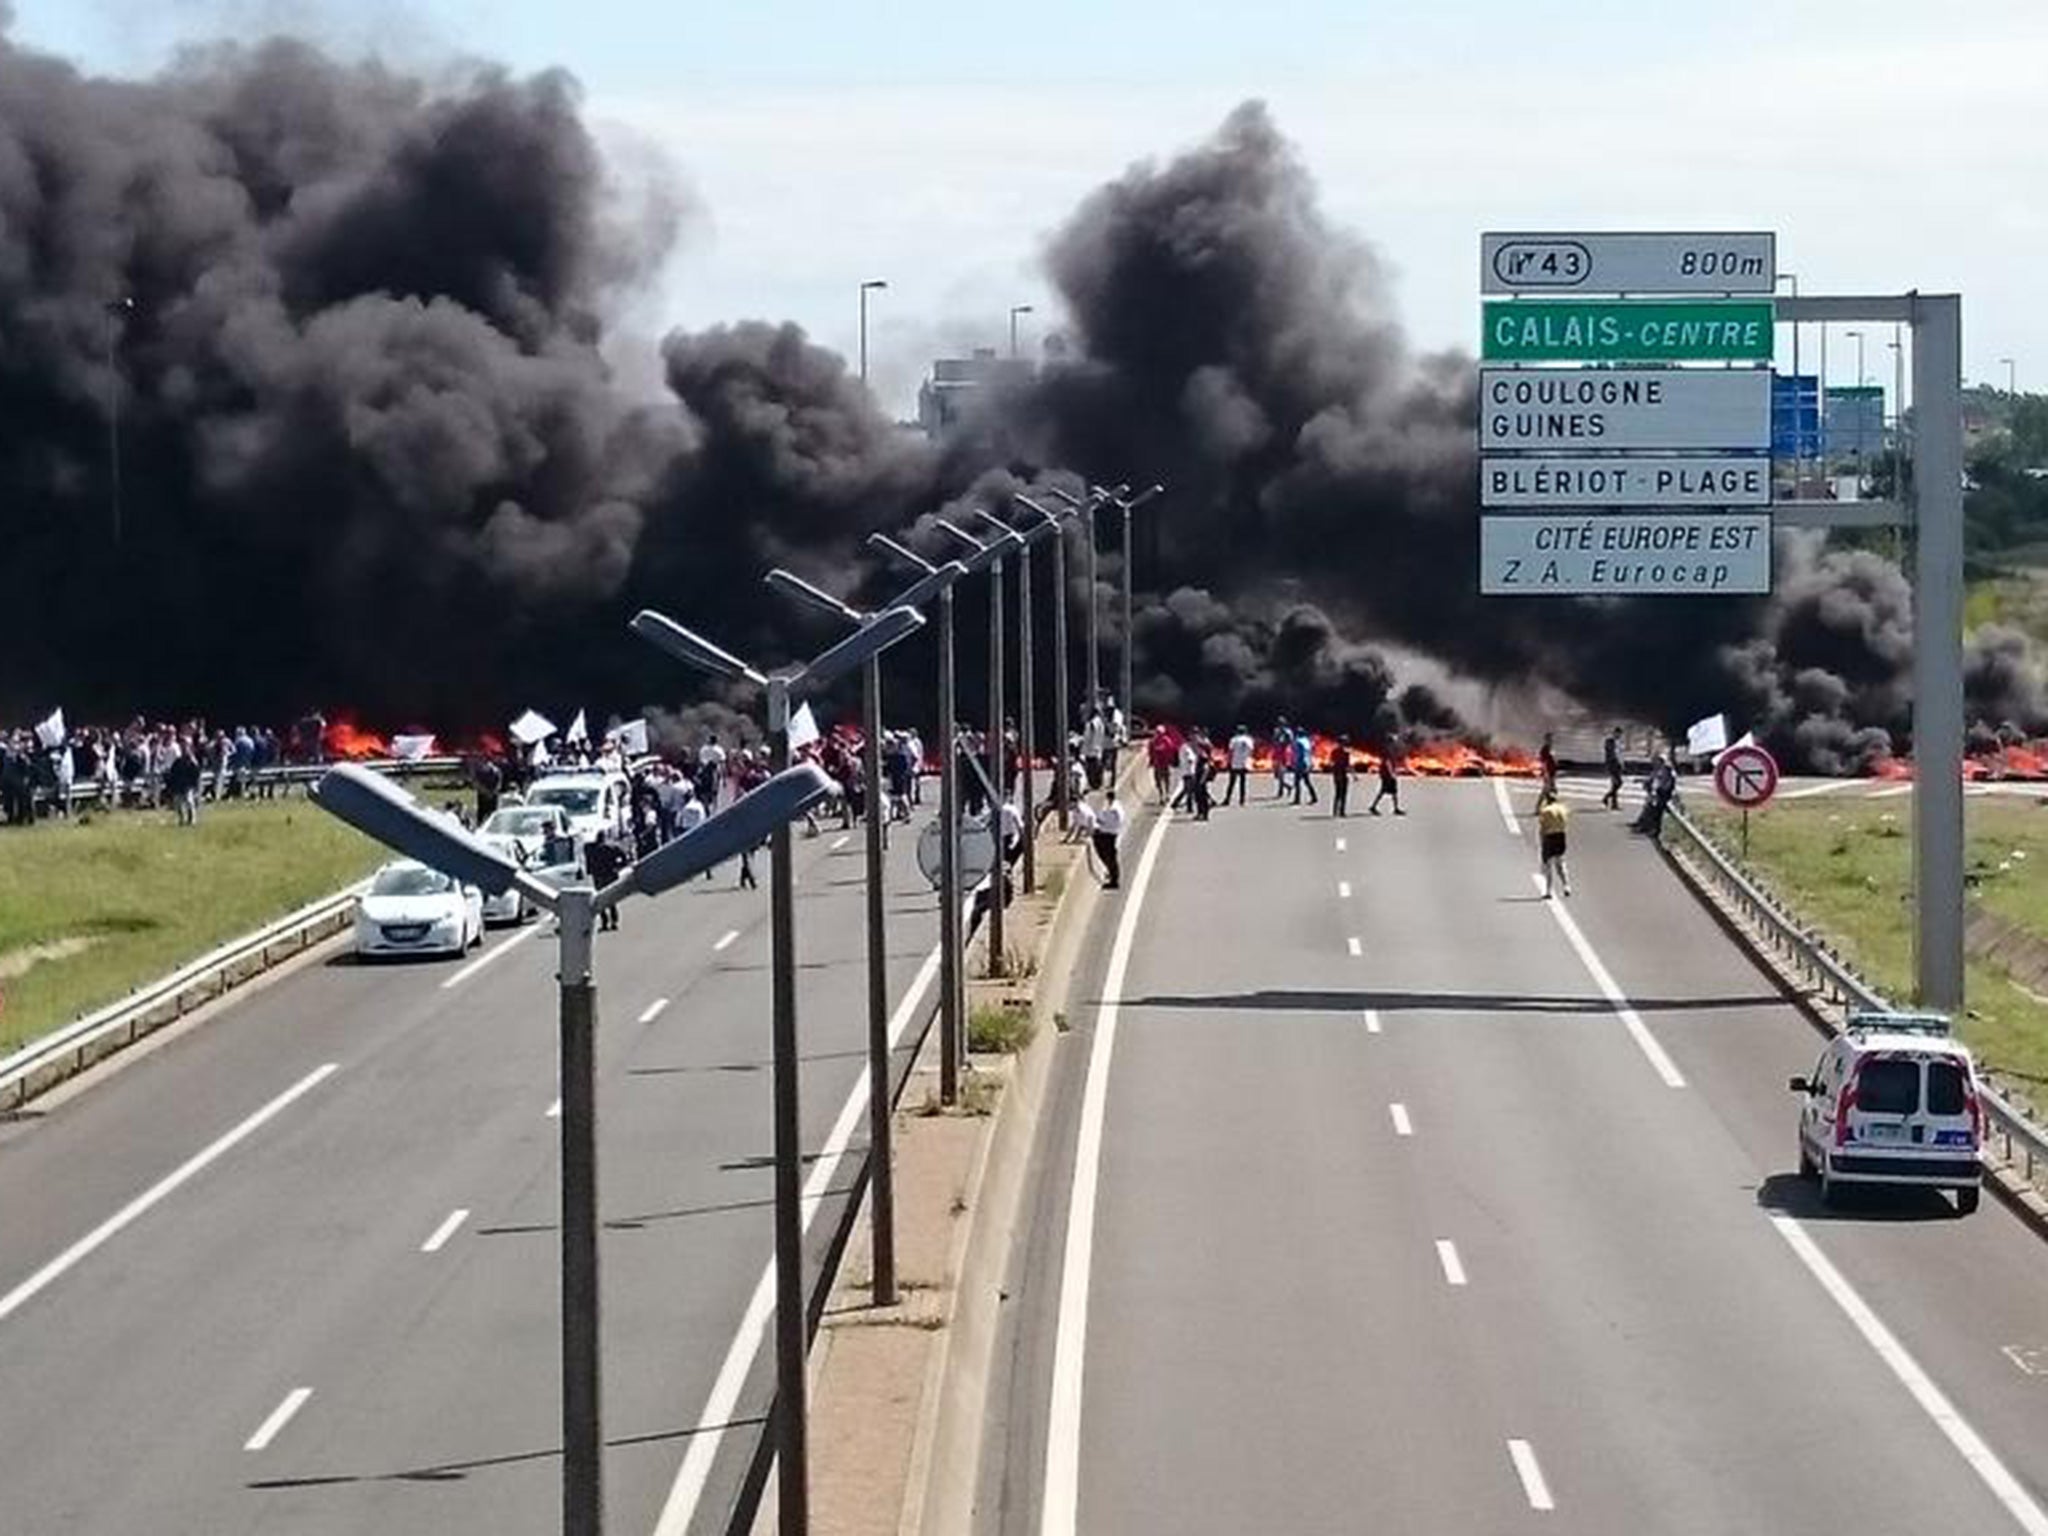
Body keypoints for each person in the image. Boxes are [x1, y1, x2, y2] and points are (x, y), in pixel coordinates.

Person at [1537, 788, 1572, 898]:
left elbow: (1543, 828)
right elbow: (1566, 822)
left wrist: (1541, 841)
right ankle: (1566, 886)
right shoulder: (1563, 809)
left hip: (1549, 837)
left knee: (1548, 865)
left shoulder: (1546, 811)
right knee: (1560, 862)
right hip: (1561, 836)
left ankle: (1549, 891)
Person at [1092, 788, 1126, 889]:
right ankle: (1112, 875)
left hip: (1108, 834)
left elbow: (1103, 819)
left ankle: (1114, 880)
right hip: (1112, 833)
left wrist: (1098, 820)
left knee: (1109, 857)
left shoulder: (1112, 810)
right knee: (1110, 857)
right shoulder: (1117, 806)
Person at [1224, 725, 1253, 807]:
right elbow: (1251, 751)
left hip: (1235, 762)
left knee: (1232, 782)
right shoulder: (1249, 740)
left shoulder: (1234, 739)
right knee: (1243, 782)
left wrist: (1228, 761)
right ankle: (1242, 800)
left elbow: (1230, 751)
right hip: (1244, 763)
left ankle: (1227, 799)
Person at [1369, 749, 1404, 816]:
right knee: (1390, 792)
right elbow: (1389, 768)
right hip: (1388, 778)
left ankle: (1374, 806)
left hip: (1386, 777)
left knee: (1389, 793)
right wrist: (1393, 775)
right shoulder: (1388, 759)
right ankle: (1373, 806)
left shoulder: (1386, 759)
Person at [1602, 728, 1625, 810]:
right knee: (1618, 783)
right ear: (1614, 733)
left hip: (1618, 765)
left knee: (1615, 785)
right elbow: (1610, 754)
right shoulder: (1609, 741)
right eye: (1617, 733)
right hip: (1612, 765)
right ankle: (1607, 798)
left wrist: (1622, 764)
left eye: (1620, 734)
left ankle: (1613, 804)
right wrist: (1610, 766)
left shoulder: (1620, 742)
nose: (1618, 735)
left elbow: (1620, 754)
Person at [1329, 735, 1351, 817]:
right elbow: (1348, 765)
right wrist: (1354, 774)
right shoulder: (1346, 753)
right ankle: (1341, 811)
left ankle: (1335, 811)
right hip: (1342, 773)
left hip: (1337, 773)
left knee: (1338, 793)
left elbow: (1331, 762)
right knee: (1342, 793)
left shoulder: (1334, 752)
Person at [1538, 731, 1559, 796]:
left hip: (1551, 770)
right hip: (1548, 770)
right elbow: (1543, 761)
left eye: (1551, 740)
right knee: (1547, 787)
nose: (1551, 741)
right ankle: (1542, 802)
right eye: (1550, 739)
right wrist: (1545, 771)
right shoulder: (1545, 749)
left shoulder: (1549, 749)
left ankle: (1547, 798)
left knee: (1551, 787)